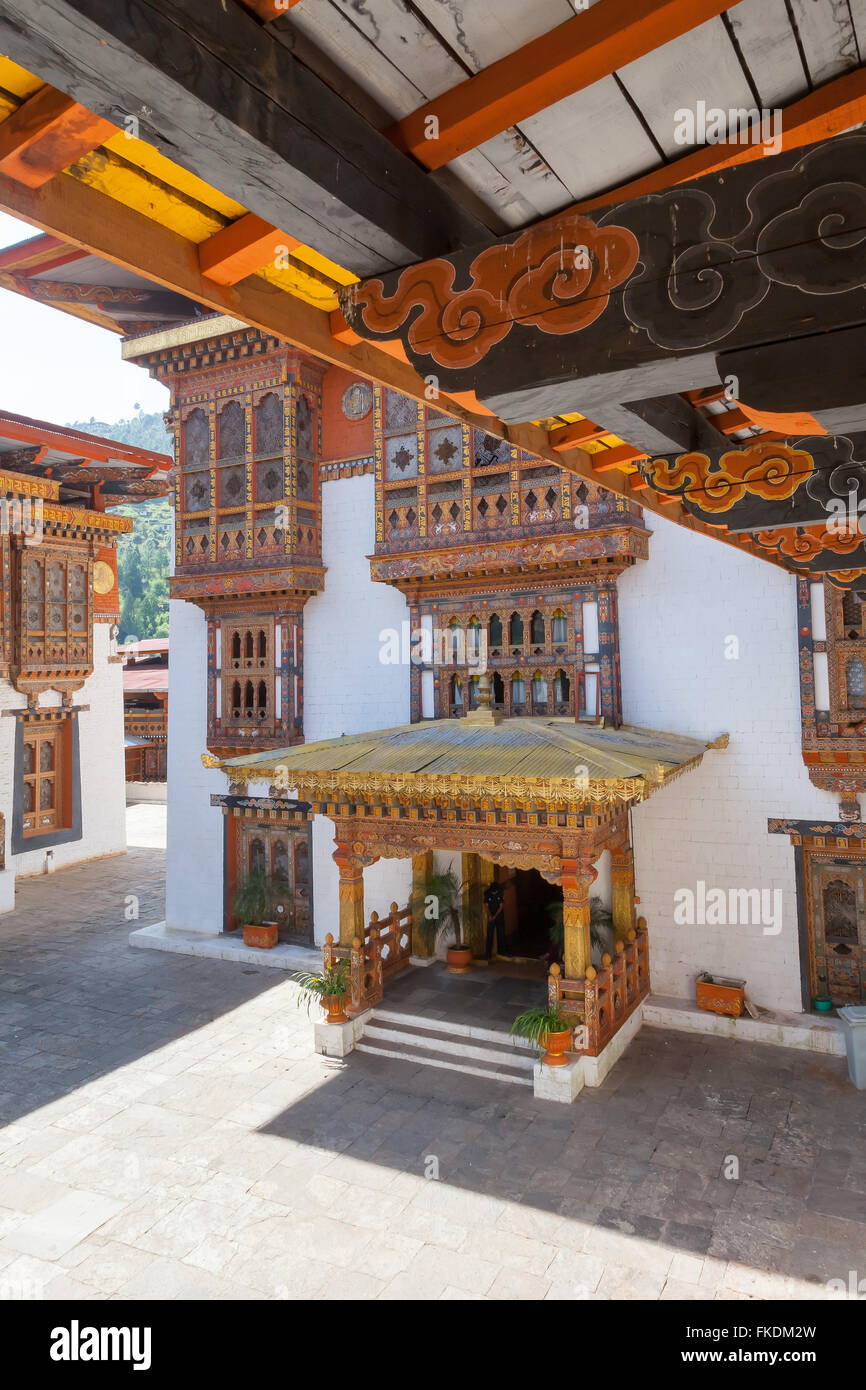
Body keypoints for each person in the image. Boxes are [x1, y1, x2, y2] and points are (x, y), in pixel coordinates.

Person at [484, 878, 507, 960]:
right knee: (489, 935)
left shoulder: (500, 893)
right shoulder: (487, 893)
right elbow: (486, 906)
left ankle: (502, 952)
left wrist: (495, 916)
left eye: (496, 891)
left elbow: (501, 906)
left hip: (499, 916)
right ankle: (488, 954)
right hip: (490, 917)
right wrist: (490, 915)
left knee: (500, 934)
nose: (495, 893)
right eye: (493, 891)